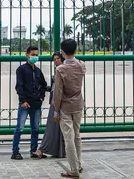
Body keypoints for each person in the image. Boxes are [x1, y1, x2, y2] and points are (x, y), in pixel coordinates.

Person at [54, 39, 86, 178]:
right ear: (75, 50)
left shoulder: (61, 69)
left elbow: (58, 92)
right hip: (78, 103)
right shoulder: (81, 65)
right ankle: (78, 164)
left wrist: (56, 109)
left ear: (62, 52)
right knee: (77, 135)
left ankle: (73, 170)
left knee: (69, 137)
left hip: (66, 106)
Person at [11, 46, 48, 160]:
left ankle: (33, 150)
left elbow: (43, 84)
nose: (35, 57)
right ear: (27, 55)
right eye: (33, 55)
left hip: (36, 104)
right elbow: (19, 86)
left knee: (35, 128)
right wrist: (22, 100)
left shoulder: (38, 71)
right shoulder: (21, 69)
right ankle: (15, 151)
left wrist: (41, 97)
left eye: (36, 55)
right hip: (25, 103)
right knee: (19, 128)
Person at [35, 51, 66, 158]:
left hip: (57, 103)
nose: (56, 60)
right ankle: (59, 151)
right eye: (54, 59)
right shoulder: (59, 70)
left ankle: (42, 149)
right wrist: (45, 88)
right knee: (58, 128)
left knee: (52, 127)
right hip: (57, 101)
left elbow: (60, 89)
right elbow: (55, 88)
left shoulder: (62, 70)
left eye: (58, 58)